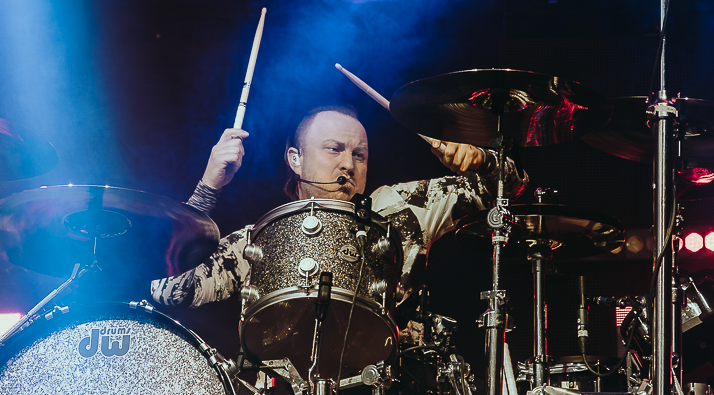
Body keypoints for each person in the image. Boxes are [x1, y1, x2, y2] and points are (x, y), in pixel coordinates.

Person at [149, 104, 523, 316]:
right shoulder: (259, 240)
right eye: (334, 149)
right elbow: (170, 290)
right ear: (295, 159)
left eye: (359, 154)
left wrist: (483, 160)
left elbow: (509, 187)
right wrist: (208, 186)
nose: (348, 164)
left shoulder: (400, 208)